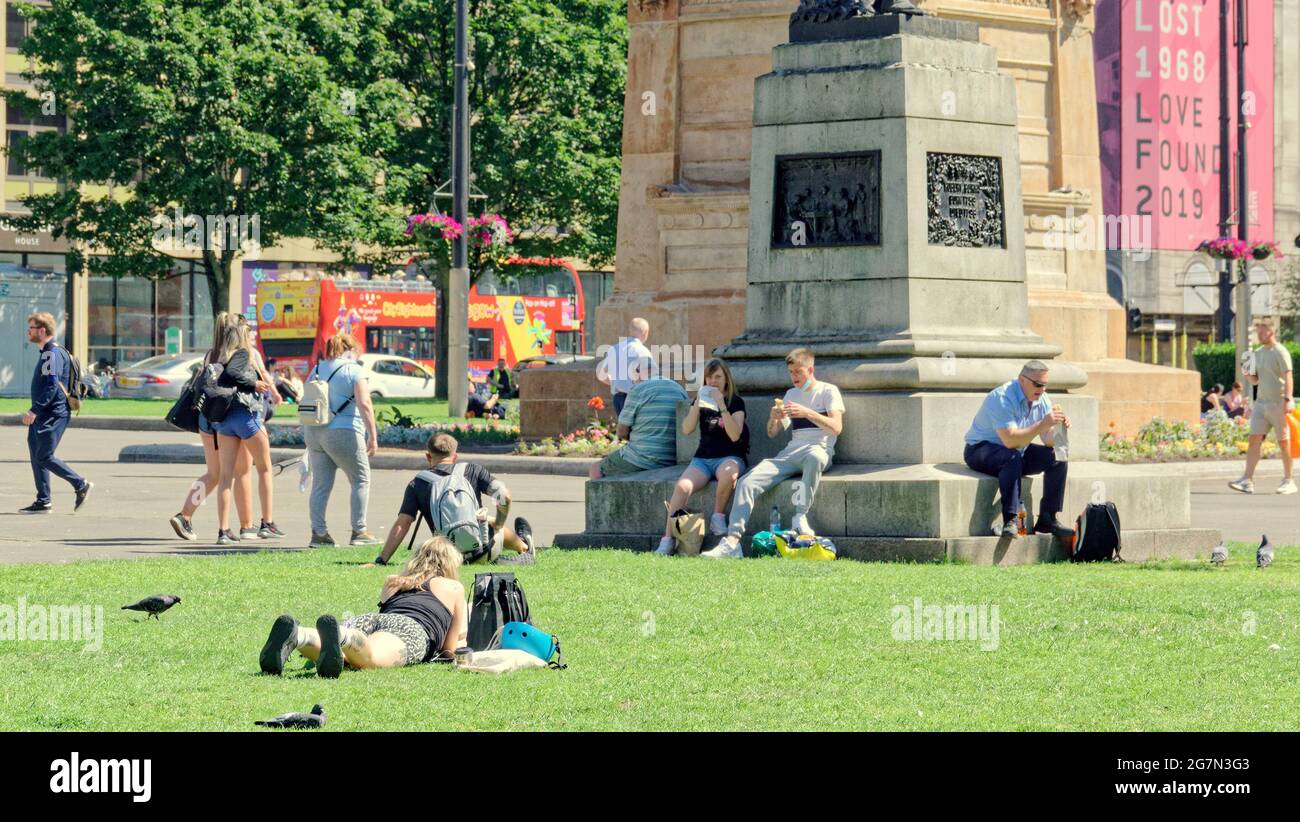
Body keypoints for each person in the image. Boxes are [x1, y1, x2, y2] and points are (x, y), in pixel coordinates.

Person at [258, 536, 467, 677]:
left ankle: (299, 635)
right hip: (410, 628)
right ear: (449, 564)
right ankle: (341, 635)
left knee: (349, 659)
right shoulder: (454, 587)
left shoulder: (395, 581)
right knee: (372, 659)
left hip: (371, 620)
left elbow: (385, 610)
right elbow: (450, 649)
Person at [703, 347, 843, 559]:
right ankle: (732, 542)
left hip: (819, 449)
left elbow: (836, 427)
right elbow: (772, 433)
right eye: (791, 372)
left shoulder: (828, 391)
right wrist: (774, 418)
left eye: (798, 371)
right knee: (746, 482)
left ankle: (800, 516)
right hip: (790, 453)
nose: (794, 377)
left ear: (811, 369)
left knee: (814, 457)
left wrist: (807, 413)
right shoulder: (790, 395)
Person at [369, 433, 536, 568]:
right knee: (492, 522)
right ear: (455, 456)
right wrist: (499, 523)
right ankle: (525, 548)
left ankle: (506, 554)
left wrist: (382, 560)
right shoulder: (473, 470)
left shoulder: (417, 483)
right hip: (484, 548)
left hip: (445, 558)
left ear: (428, 456)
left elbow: (403, 523)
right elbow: (504, 495)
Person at [169, 312, 261, 541]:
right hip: (227, 416)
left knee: (214, 473)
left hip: (205, 417)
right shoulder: (242, 352)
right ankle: (247, 525)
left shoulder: (212, 353)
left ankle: (185, 514)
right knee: (240, 472)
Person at [961, 360, 1074, 539]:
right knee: (1011, 457)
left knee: (1058, 457)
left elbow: (1047, 440)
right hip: (980, 450)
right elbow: (1010, 440)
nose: (1042, 389)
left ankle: (1047, 519)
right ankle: (1011, 520)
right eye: (1038, 384)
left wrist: (1060, 429)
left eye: (1045, 385)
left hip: (1016, 449)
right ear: (1022, 379)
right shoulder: (1002, 397)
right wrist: (1042, 423)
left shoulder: (1041, 398)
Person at [657, 358, 749, 555]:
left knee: (729, 472)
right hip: (703, 459)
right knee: (682, 486)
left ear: (726, 379)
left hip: (730, 457)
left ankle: (717, 516)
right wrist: (698, 404)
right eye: (709, 377)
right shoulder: (701, 401)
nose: (713, 381)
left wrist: (721, 405)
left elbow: (735, 435)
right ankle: (667, 539)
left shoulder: (735, 402)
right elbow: (686, 429)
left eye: (718, 377)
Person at [210, 319, 284, 545]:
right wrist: (254, 385)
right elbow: (234, 373)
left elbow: (226, 376)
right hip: (245, 417)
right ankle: (267, 523)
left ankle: (223, 530)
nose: (252, 341)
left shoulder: (220, 356)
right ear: (242, 339)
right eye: (250, 337)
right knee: (265, 468)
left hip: (225, 421)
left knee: (225, 476)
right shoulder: (242, 354)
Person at [306, 333, 380, 547]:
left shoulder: (317, 369)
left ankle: (318, 534)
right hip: (344, 431)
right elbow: (364, 403)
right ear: (351, 349)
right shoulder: (354, 370)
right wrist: (373, 436)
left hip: (314, 431)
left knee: (321, 485)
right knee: (361, 479)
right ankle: (359, 531)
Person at [20, 312, 92, 514]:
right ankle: (43, 501)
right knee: (37, 455)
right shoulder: (49, 352)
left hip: (53, 413)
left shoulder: (51, 353)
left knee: (43, 455)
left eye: (31, 328)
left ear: (42, 331)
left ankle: (80, 483)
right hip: (45, 413)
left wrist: (35, 410)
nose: (28, 332)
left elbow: (52, 385)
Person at [588, 356, 688, 480]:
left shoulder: (638, 389)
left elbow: (622, 432)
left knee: (596, 469)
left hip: (643, 458)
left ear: (638, 373)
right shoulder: (679, 389)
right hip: (671, 458)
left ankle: (600, 500)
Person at [1229, 320, 1296, 495]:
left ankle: (1289, 481)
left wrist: (1288, 399)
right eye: (1257, 331)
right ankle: (1247, 480)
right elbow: (1255, 380)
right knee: (1253, 439)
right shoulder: (1257, 353)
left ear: (1272, 331)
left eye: (1262, 331)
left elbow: (1288, 377)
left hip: (1278, 403)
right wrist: (1247, 371)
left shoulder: (1280, 351)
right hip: (1261, 403)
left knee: (1283, 442)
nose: (1259, 334)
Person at [596, 317, 652, 415]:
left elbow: (601, 374)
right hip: (634, 398)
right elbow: (650, 374)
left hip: (618, 399)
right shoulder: (642, 351)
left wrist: (615, 383)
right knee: (636, 430)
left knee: (623, 429)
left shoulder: (615, 348)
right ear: (645, 332)